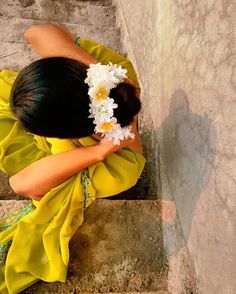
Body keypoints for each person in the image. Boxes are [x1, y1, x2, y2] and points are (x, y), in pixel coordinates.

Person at [0, 24, 146, 293]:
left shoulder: (118, 167)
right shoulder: (113, 71)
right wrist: (99, 74)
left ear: (65, 135)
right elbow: (35, 31)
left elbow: (20, 184)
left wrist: (98, 152)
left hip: (83, 146)